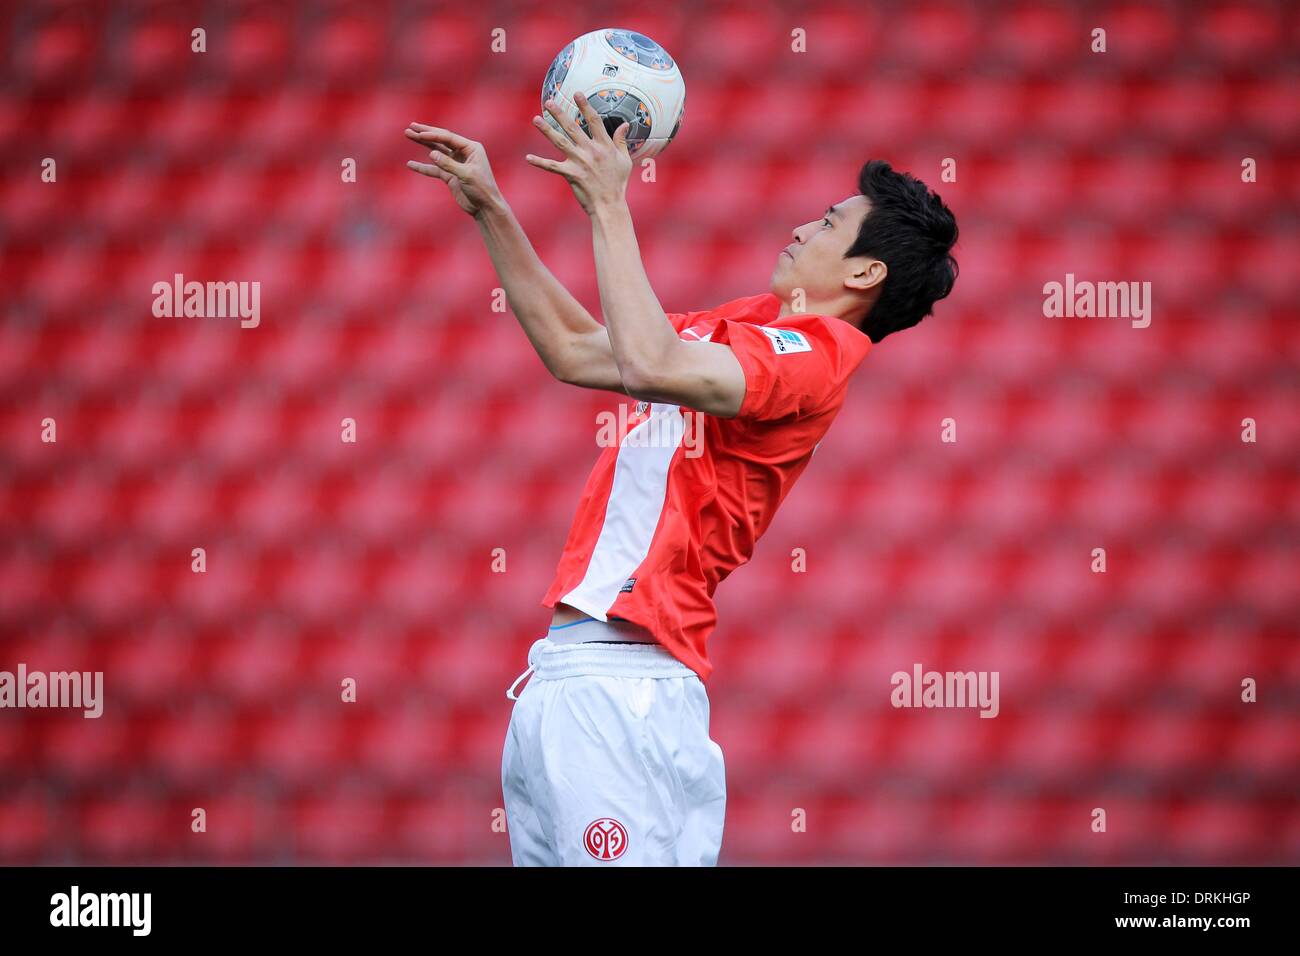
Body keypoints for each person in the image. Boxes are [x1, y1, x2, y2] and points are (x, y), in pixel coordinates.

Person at [405, 91, 959, 866]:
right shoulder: (758, 320)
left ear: (866, 270)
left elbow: (648, 362)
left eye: (830, 222)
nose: (804, 226)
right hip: (572, 681)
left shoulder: (818, 355)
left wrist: (608, 203)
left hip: (626, 686)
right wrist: (492, 211)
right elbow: (578, 353)